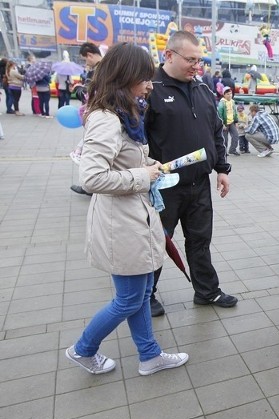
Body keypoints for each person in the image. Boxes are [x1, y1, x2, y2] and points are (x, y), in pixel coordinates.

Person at [66, 42, 189, 376]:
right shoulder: (106, 118)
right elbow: (91, 177)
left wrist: (152, 166)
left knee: (141, 292)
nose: (150, 85)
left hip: (134, 217)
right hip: (119, 223)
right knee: (129, 299)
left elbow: (125, 159)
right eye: (144, 79)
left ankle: (149, 355)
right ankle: (83, 349)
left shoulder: (125, 112)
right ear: (124, 77)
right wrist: (142, 175)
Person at [145, 31, 237, 316]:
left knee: (200, 241)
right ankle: (145, 296)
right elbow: (138, 140)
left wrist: (222, 169)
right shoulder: (151, 91)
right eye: (191, 59)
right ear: (169, 55)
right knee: (157, 242)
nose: (197, 66)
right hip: (164, 187)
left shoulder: (202, 90)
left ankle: (207, 291)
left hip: (199, 185)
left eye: (200, 60)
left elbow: (215, 133)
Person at [70, 42, 103, 196]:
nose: (86, 62)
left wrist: (79, 91)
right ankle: (92, 185)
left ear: (90, 54)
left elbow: (92, 95)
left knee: (93, 152)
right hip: (98, 116)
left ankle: (91, 186)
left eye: (85, 59)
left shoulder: (100, 70)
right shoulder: (102, 68)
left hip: (99, 117)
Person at [218, 86, 240, 155]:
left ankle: (232, 150)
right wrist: (222, 124)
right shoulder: (222, 103)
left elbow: (235, 112)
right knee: (225, 139)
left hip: (232, 122)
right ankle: (224, 152)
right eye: (227, 94)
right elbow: (219, 114)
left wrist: (236, 121)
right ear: (224, 95)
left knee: (236, 136)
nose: (230, 95)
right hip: (225, 123)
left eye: (230, 93)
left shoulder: (232, 102)